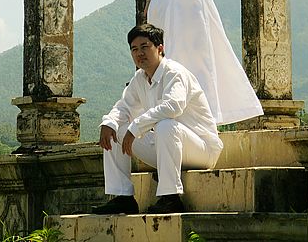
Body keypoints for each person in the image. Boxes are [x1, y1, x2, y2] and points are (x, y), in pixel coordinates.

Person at [92, 23, 223, 215]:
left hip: (201, 149)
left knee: (166, 125)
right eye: (134, 49)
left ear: (160, 48)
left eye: (145, 47)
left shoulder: (174, 72)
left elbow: (173, 106)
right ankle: (123, 198)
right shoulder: (139, 79)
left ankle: (171, 198)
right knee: (115, 130)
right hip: (168, 149)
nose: (139, 53)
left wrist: (136, 126)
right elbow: (124, 106)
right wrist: (108, 122)